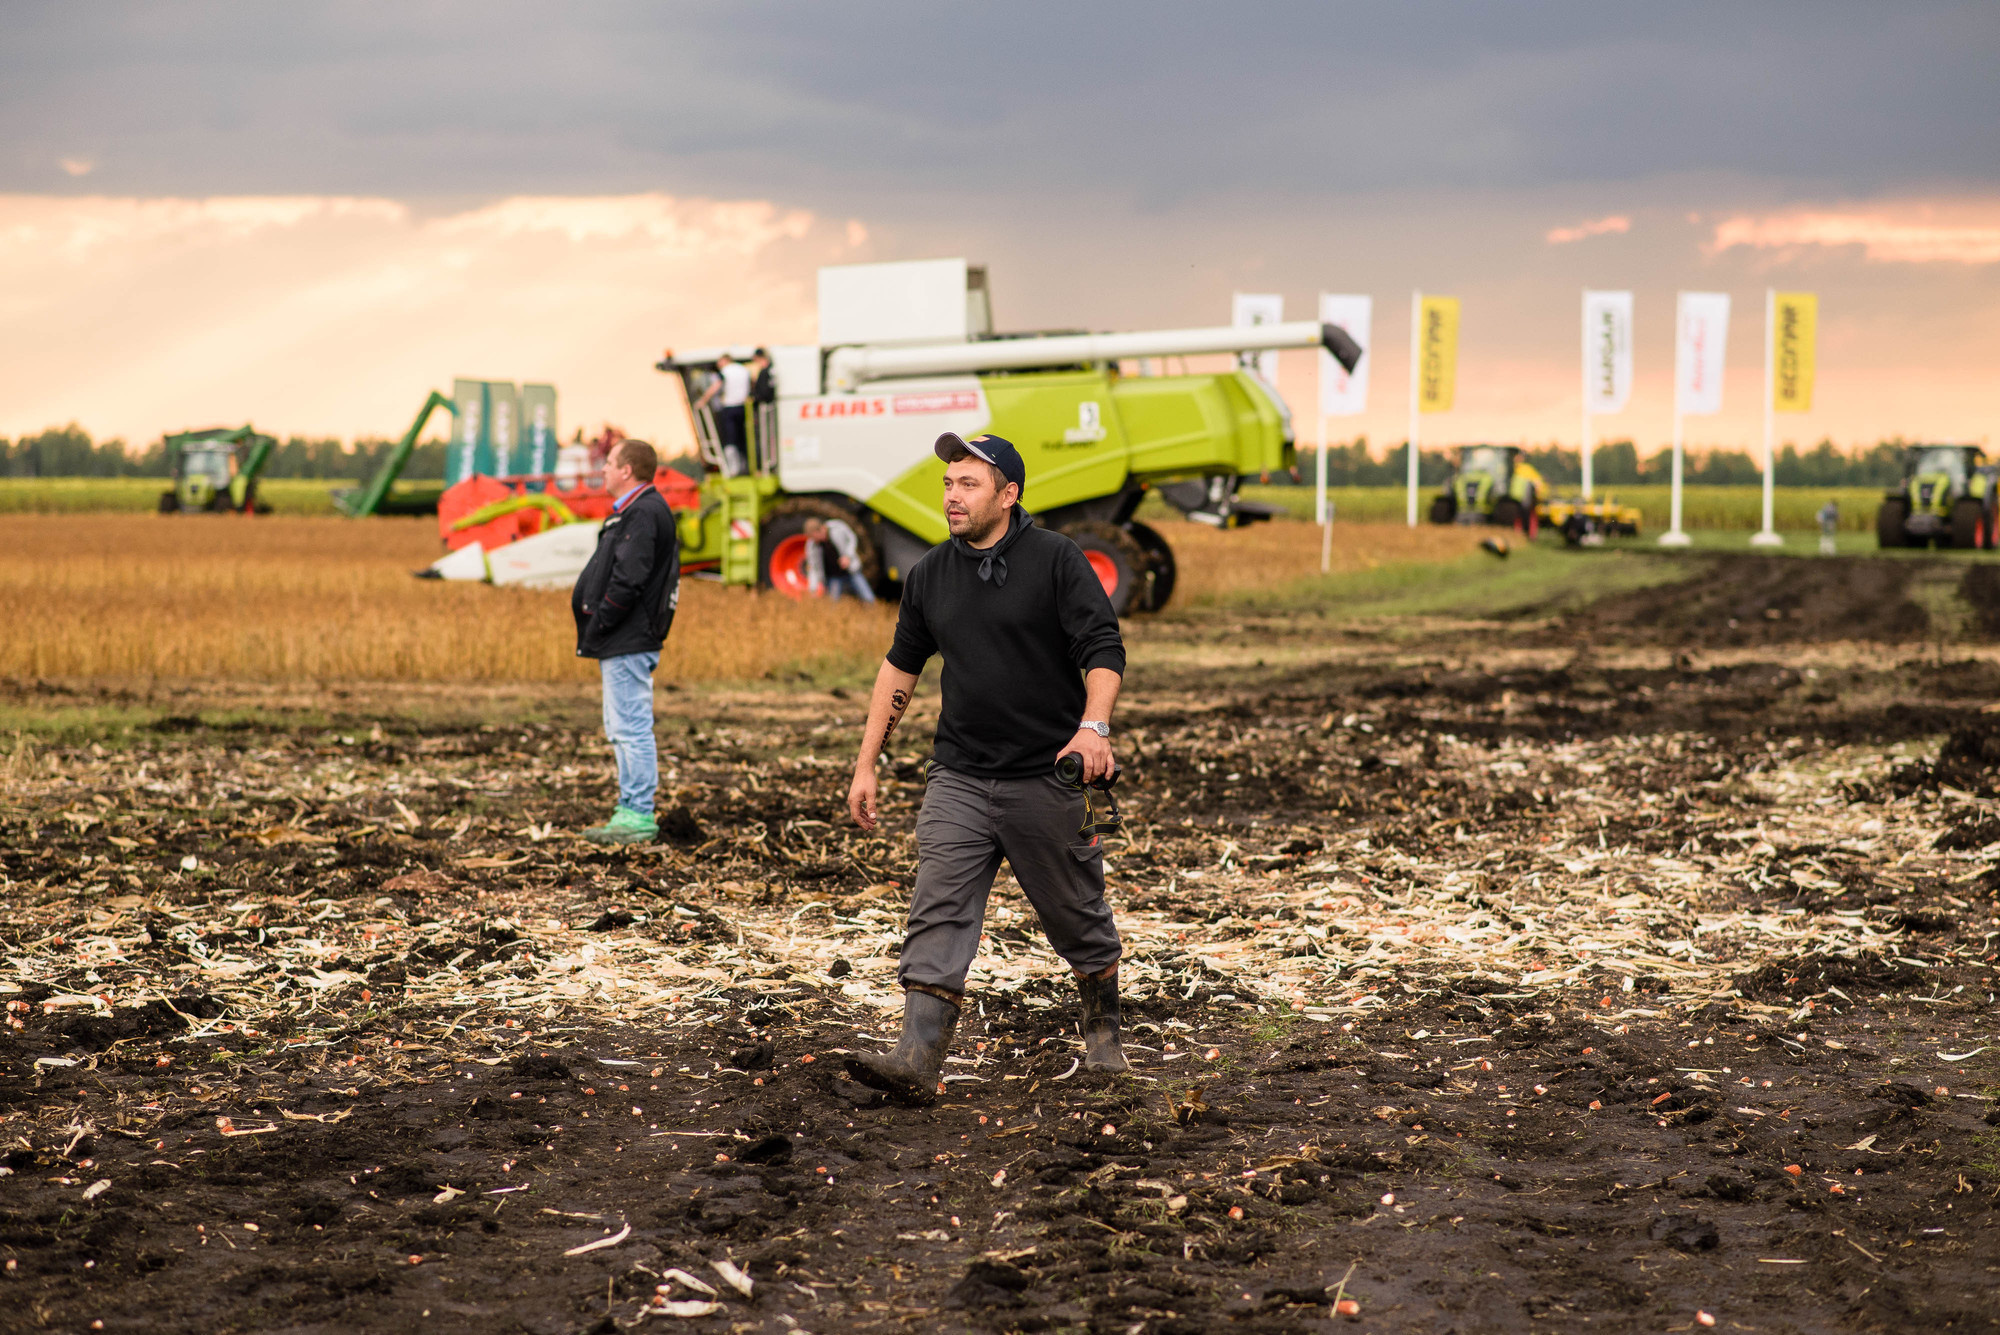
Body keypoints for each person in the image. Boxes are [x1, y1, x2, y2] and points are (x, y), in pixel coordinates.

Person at [845, 431, 1128, 1105]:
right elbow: (899, 670)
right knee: (937, 907)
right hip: (960, 776)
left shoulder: (1056, 560)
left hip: (1048, 777)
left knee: (1078, 914)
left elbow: (1103, 646)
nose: (952, 495)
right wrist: (867, 764)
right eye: (948, 482)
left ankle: (1105, 1045)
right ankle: (916, 1057)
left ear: (1009, 494)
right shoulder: (930, 574)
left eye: (968, 483)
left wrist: (1093, 729)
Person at [571, 438, 681, 845]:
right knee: (622, 725)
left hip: (628, 637)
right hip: (625, 637)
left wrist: (601, 622)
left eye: (609, 463)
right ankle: (630, 808)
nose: (602, 469)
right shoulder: (637, 511)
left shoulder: (643, 512)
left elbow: (629, 578)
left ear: (627, 471)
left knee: (629, 727)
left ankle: (636, 813)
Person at [694, 353, 750, 477]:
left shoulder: (725, 371)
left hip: (729, 407)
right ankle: (745, 465)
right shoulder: (744, 370)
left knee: (730, 438)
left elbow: (716, 386)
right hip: (744, 407)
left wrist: (703, 400)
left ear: (725, 360)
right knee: (743, 438)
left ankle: (733, 469)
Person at [805, 515, 875, 603]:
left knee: (868, 597)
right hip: (834, 577)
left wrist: (848, 556)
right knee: (833, 604)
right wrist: (813, 588)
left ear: (821, 529)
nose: (813, 539)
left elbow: (852, 539)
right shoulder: (812, 545)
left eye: (814, 536)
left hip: (851, 570)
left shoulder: (837, 528)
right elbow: (813, 567)